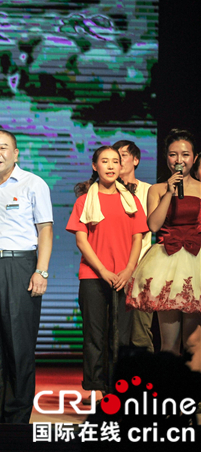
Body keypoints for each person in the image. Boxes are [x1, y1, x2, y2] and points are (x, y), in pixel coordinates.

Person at [0, 129, 53, 423]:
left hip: (20, 266)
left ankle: (18, 416)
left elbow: (45, 230)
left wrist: (41, 271)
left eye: (3, 147)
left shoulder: (33, 184)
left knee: (19, 344)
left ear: (15, 153)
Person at [66, 146, 147, 402]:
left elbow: (138, 238)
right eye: (105, 161)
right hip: (93, 276)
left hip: (124, 276)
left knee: (121, 337)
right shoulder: (84, 201)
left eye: (115, 161)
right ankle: (97, 389)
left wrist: (129, 270)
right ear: (95, 166)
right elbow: (81, 240)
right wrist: (102, 270)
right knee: (94, 335)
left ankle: (118, 389)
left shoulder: (131, 200)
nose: (111, 166)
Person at [128, 129, 201, 356]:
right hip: (166, 261)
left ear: (194, 158)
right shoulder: (157, 189)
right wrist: (169, 192)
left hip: (196, 261)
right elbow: (153, 225)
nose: (179, 160)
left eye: (185, 154)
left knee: (192, 345)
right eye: (173, 154)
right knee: (169, 346)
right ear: (166, 158)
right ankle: (168, 379)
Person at [113, 140, 154, 351]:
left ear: (136, 160)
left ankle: (146, 371)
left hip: (142, 267)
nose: (119, 161)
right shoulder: (105, 190)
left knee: (141, 333)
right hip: (113, 268)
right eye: (115, 157)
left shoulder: (149, 190)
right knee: (114, 332)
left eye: (123, 155)